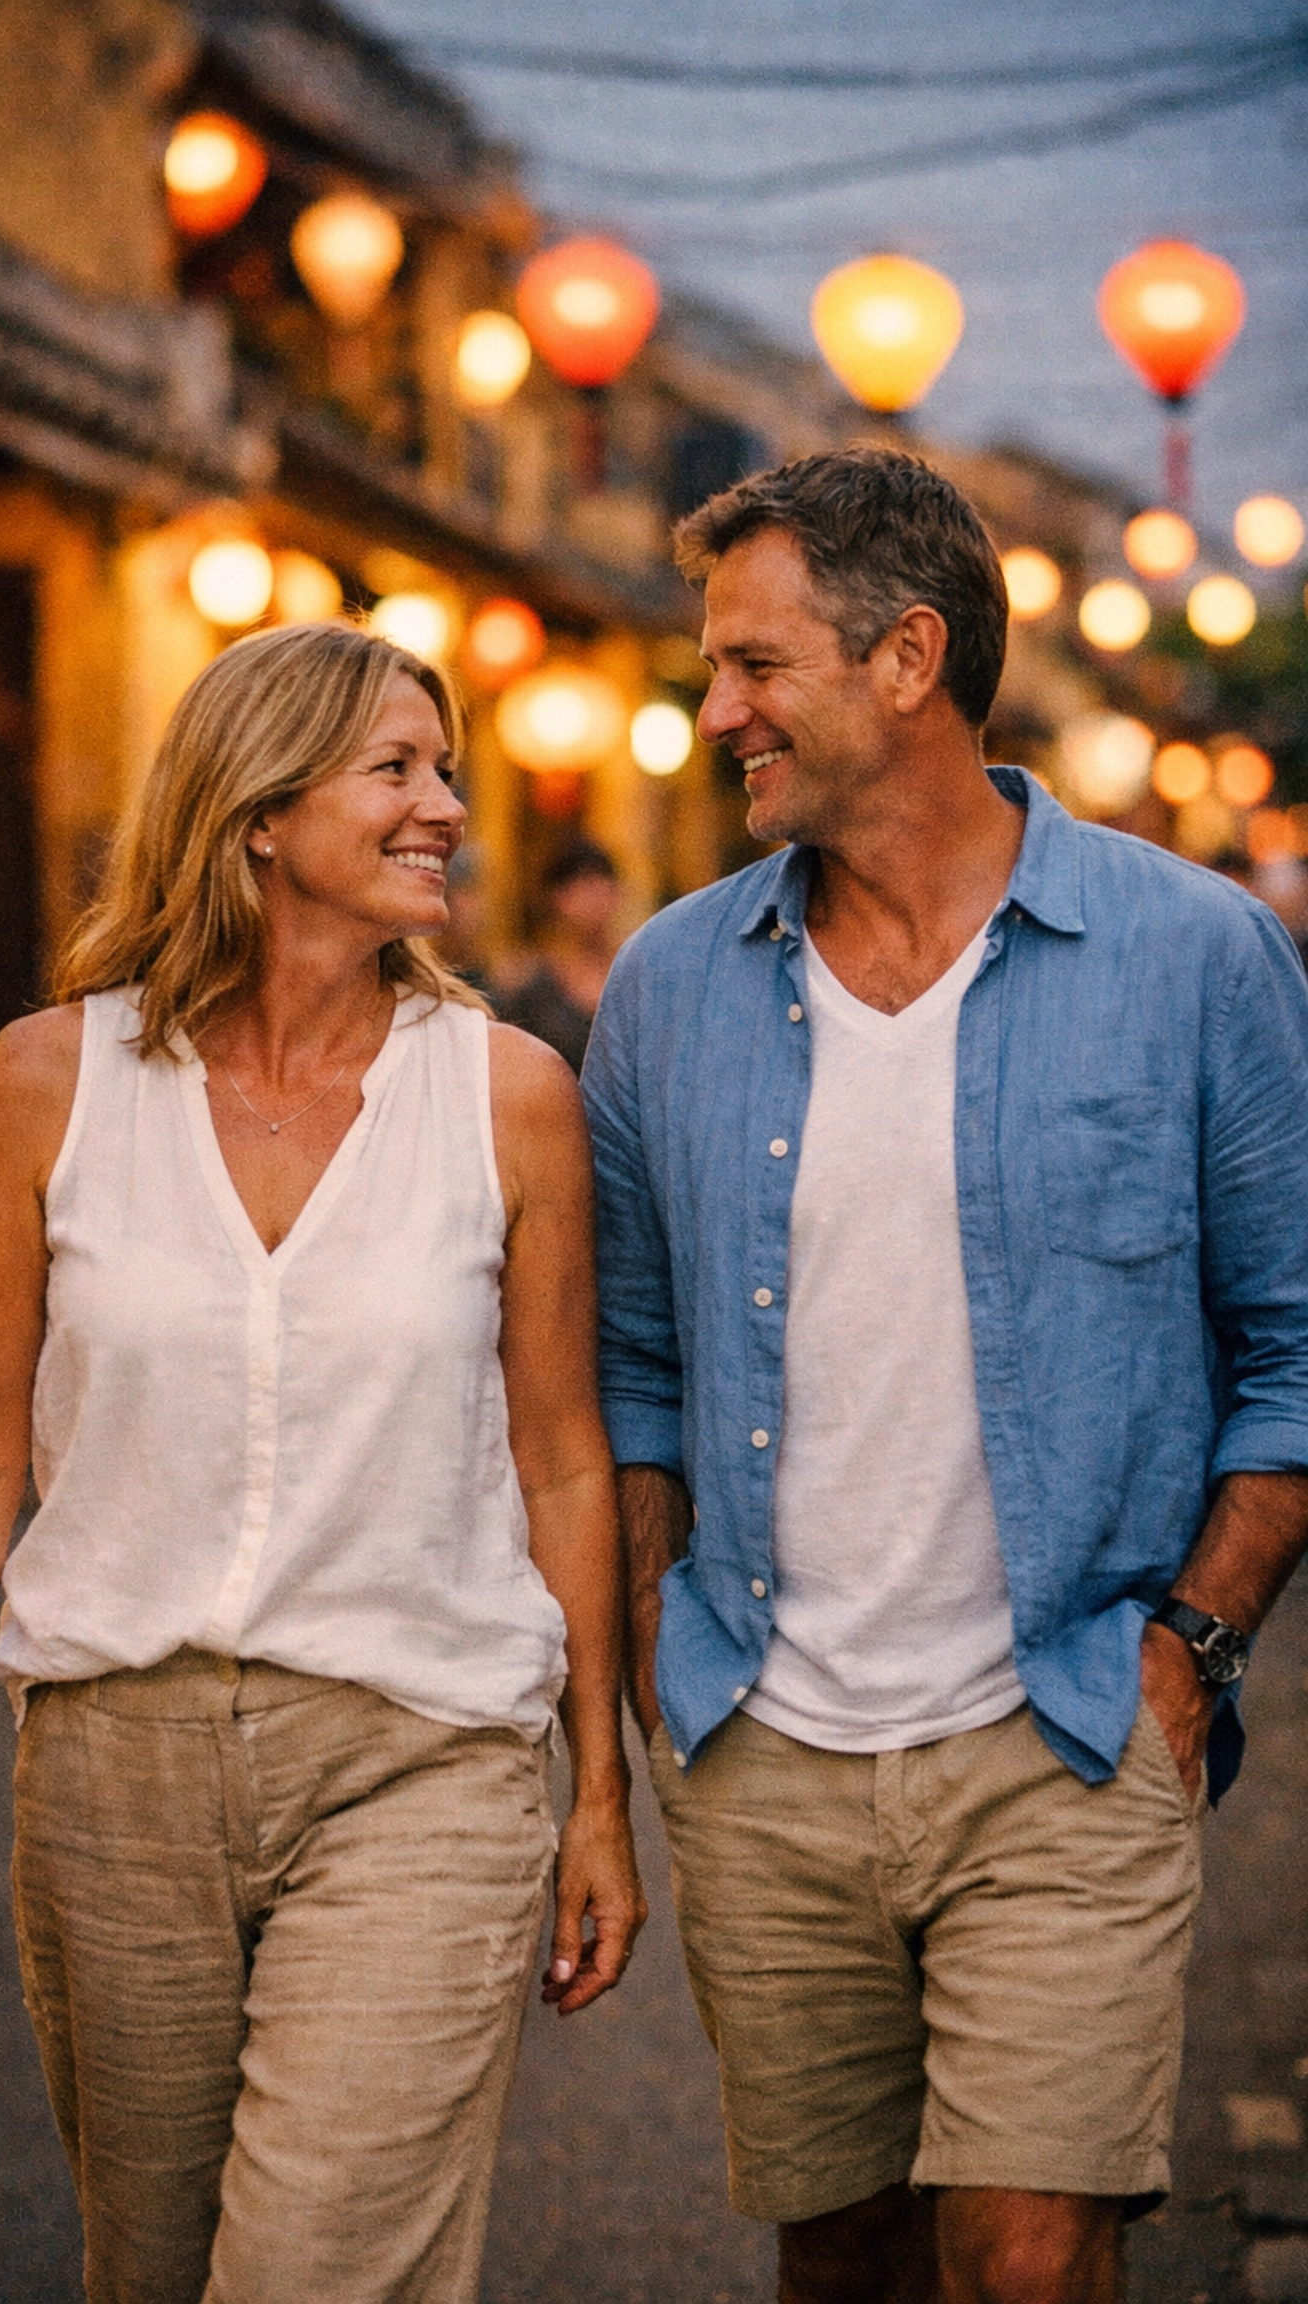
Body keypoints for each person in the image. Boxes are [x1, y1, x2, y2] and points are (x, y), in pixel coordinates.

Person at [582, 448, 1308, 2304]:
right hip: (771, 1737)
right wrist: (666, 1629)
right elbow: (640, 1364)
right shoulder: (668, 987)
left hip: (1063, 1722)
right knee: (842, 2253)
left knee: (1026, 2253)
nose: (716, 705)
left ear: (908, 658)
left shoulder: (1198, 956)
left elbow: (1295, 1350)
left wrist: (1192, 1646)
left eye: (755, 664)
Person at [0, 621, 645, 2304]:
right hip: (115, 1767)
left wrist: (598, 1790)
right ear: (254, 815)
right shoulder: (47, 1079)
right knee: (148, 2269)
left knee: (310, 2272)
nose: (446, 804)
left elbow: (563, 1456)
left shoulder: (510, 1097)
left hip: (422, 1757)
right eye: (398, 768)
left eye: (445, 767)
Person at [493, 838, 621, 1075]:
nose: (595, 898)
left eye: (603, 883)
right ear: (557, 898)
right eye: (582, 886)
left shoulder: (631, 976)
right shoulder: (531, 988)